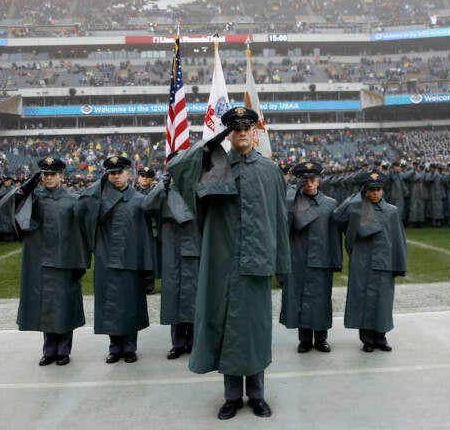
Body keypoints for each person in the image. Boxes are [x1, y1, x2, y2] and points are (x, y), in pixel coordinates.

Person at [168, 106, 291, 420]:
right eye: (234, 129)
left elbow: (279, 218)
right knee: (225, 330)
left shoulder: (270, 170)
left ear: (255, 132)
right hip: (221, 263)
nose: (241, 133)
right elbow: (176, 167)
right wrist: (211, 143)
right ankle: (232, 397)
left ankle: (258, 395)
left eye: (245, 128)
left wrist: (282, 265)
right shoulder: (211, 168)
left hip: (258, 262)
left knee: (255, 332)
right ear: (228, 134)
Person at [1, 157, 88, 366]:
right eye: (45, 174)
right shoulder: (34, 197)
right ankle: (49, 350)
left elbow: (81, 234)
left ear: (61, 176)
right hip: (40, 260)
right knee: (45, 306)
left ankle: (63, 351)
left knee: (63, 306)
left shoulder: (73, 200)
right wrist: (29, 185)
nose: (48, 178)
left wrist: (81, 262)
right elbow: (7, 205)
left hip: (64, 260)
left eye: (52, 174)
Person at [78, 155, 153, 364]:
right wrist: (99, 185)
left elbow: (145, 235)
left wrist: (145, 263)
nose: (116, 177)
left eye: (119, 172)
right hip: (106, 259)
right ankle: (114, 347)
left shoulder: (139, 201)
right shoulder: (99, 200)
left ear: (129, 173)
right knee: (110, 305)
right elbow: (82, 206)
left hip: (131, 258)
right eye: (111, 174)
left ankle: (130, 348)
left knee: (130, 305)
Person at [334, 171, 407, 353]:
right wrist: (356, 196)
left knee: (382, 302)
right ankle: (366, 339)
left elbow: (398, 239)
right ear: (365, 191)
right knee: (363, 301)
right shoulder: (356, 208)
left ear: (383, 191)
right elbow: (337, 216)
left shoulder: (392, 211)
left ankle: (380, 338)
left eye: (378, 190)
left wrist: (400, 264)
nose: (375, 193)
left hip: (384, 262)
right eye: (371, 190)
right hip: (362, 262)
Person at [279, 161, 342, 354]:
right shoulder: (292, 203)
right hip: (298, 257)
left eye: (312, 179)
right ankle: (304, 339)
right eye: (304, 180)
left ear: (319, 181)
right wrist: (291, 193)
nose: (309, 183)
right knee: (300, 299)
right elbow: (284, 224)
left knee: (321, 301)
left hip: (321, 259)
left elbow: (335, 236)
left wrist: (336, 260)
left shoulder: (330, 204)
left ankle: (321, 338)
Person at [142, 155, 200, 360]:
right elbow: (147, 205)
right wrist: (163, 184)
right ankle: (177, 343)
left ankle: (193, 342)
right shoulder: (164, 189)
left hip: (192, 244)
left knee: (192, 296)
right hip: (171, 246)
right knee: (173, 294)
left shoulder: (195, 186)